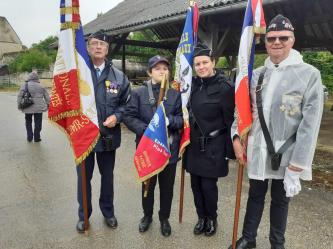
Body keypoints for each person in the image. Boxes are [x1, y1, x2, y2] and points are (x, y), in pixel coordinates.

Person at [230, 15, 324, 249]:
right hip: (258, 149)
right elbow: (242, 111)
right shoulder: (257, 74)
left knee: (281, 201)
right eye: (272, 38)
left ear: (292, 40)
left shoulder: (309, 74)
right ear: (266, 42)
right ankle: (248, 238)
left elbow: (310, 124)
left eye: (283, 37)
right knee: (255, 195)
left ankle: (277, 242)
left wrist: (299, 163)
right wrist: (236, 137)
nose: (277, 42)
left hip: (288, 151)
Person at [76, 30, 131, 233]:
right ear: (89, 47)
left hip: (108, 137)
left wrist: (118, 116)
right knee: (83, 179)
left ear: (107, 50)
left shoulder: (118, 76)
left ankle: (108, 213)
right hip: (83, 137)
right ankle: (84, 215)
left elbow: (128, 104)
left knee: (107, 178)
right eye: (95, 44)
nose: (99, 47)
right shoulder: (78, 73)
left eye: (102, 45)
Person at [123, 55, 183, 237]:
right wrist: (148, 130)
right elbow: (128, 117)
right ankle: (147, 216)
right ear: (150, 72)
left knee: (167, 188)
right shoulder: (138, 93)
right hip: (147, 150)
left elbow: (182, 120)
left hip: (168, 151)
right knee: (147, 186)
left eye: (165, 68)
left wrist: (169, 120)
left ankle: (164, 218)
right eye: (157, 69)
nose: (162, 72)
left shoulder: (175, 94)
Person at [184, 43, 235, 236]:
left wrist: (230, 152)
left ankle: (212, 218)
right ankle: (201, 218)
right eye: (197, 64)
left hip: (214, 146)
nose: (201, 67)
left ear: (213, 62)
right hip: (194, 145)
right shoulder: (192, 86)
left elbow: (230, 121)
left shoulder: (225, 88)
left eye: (205, 62)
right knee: (195, 185)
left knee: (208, 186)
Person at [17, 71, 50, 142]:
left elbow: (20, 96)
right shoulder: (41, 86)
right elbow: (47, 97)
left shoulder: (25, 85)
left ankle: (29, 137)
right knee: (38, 122)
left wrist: (19, 105)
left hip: (27, 106)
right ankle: (37, 137)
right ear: (37, 78)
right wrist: (48, 104)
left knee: (28, 121)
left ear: (29, 77)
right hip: (39, 108)